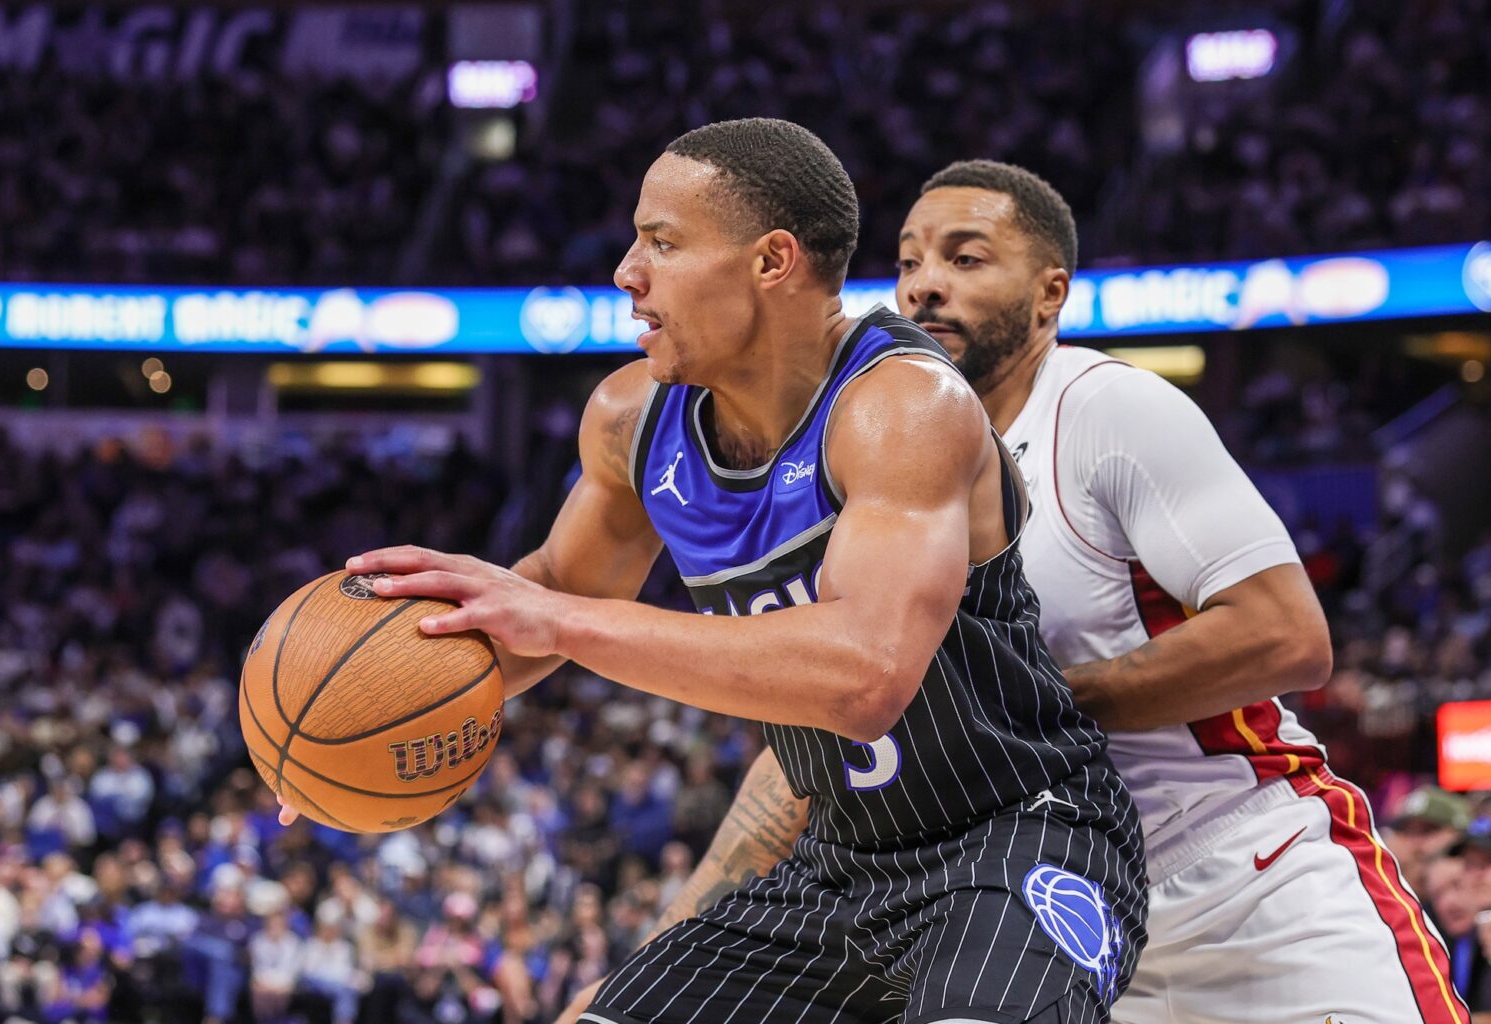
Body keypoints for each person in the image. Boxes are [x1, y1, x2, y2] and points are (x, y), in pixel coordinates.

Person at [283, 118, 1147, 1022]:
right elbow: (552, 597)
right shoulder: (630, 419)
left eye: (661, 242)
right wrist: (339, 720)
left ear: (771, 261)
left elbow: (864, 675)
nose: (627, 272)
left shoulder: (902, 405)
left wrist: (556, 619)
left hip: (1019, 836)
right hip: (840, 865)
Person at [604, 157, 1466, 1024]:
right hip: (1034, 903)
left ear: (1051, 293)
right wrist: (666, 940)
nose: (925, 285)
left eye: (965, 258)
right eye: (908, 261)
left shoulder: (1107, 408)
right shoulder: (870, 439)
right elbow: (823, 732)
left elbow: (1286, 635)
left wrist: (1015, 716)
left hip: (1246, 874)